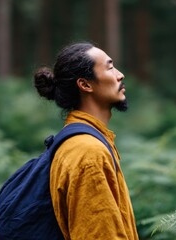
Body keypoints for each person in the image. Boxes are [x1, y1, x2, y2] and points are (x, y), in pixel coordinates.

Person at [33, 42, 139, 240]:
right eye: (109, 67)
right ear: (85, 85)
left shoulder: (84, 142)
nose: (120, 74)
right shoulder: (88, 153)